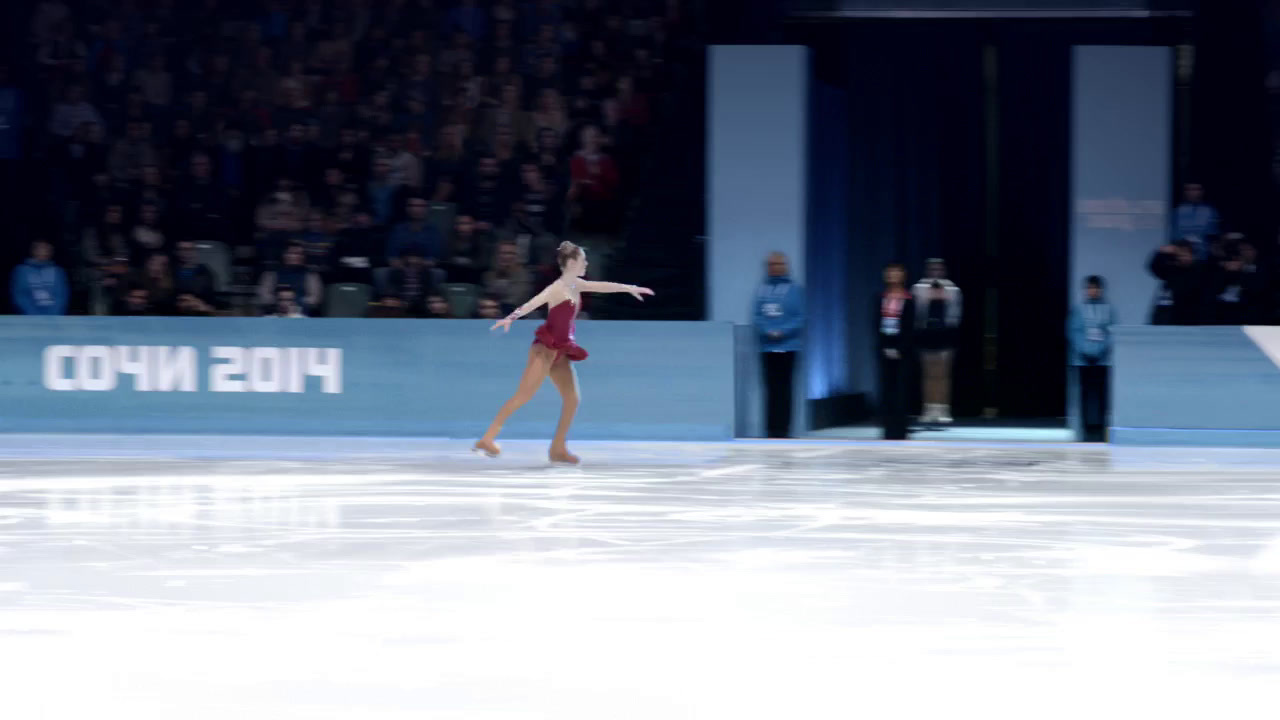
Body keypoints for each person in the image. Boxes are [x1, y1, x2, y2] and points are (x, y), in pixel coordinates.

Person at [474, 240, 654, 465]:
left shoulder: (576, 285)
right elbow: (533, 302)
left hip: (561, 350)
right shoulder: (558, 288)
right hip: (544, 350)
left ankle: (557, 448)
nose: (586, 263)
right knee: (524, 396)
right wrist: (510, 318)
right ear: (571, 262)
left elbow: (602, 286)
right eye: (583, 260)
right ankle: (487, 439)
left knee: (572, 399)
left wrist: (629, 288)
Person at [753, 252, 805, 438]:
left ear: (785, 266)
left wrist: (783, 331)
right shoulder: (762, 290)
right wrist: (767, 331)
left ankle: (784, 429)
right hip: (767, 347)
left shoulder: (794, 289)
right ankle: (771, 429)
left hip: (789, 346)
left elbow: (800, 318)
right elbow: (757, 316)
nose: (775, 267)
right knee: (770, 389)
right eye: (771, 264)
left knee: (785, 389)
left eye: (778, 264)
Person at [912, 259, 961, 424]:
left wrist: (945, 297)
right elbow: (915, 312)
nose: (936, 272)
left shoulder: (953, 289)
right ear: (927, 270)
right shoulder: (918, 288)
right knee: (928, 373)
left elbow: (956, 314)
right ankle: (928, 408)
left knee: (943, 374)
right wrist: (926, 298)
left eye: (939, 269)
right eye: (932, 269)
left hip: (945, 333)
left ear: (944, 271)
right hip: (926, 333)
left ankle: (943, 408)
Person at [1068, 275, 1116, 443]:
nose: (1093, 291)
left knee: (1103, 396)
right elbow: (1074, 333)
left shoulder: (1109, 309)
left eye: (1095, 288)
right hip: (1083, 360)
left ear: (1101, 289)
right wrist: (1086, 351)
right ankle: (1085, 429)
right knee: (1085, 395)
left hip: (1103, 360)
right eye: (1089, 288)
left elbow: (1112, 332)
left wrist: (1100, 350)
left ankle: (1103, 429)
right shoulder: (1078, 309)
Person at [876, 263, 915, 440]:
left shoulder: (909, 299)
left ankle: (901, 428)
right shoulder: (879, 298)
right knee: (887, 389)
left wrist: (901, 348)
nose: (893, 275)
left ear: (903, 275)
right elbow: (875, 325)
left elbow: (910, 327)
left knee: (901, 390)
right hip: (884, 348)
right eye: (889, 272)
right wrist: (884, 347)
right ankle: (888, 427)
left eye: (897, 272)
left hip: (903, 350)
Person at [11, 240, 70, 315]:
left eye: (46, 249)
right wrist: (32, 314)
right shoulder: (22, 271)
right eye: (39, 248)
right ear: (33, 250)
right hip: (28, 317)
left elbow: (61, 295)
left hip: (54, 318)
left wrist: (53, 314)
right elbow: (20, 295)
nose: (43, 251)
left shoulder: (58, 271)